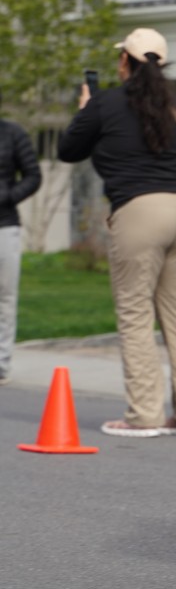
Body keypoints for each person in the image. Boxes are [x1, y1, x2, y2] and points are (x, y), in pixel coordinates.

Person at [57, 27, 176, 436]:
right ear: (162, 65)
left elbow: (68, 150)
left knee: (135, 313)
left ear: (124, 62)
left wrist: (86, 110)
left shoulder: (105, 103)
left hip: (140, 210)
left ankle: (144, 415)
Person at [0, 92, 42, 383]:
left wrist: (7, 197)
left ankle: (1, 363)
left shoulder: (13, 133)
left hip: (5, 227)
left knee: (4, 298)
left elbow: (33, 176)